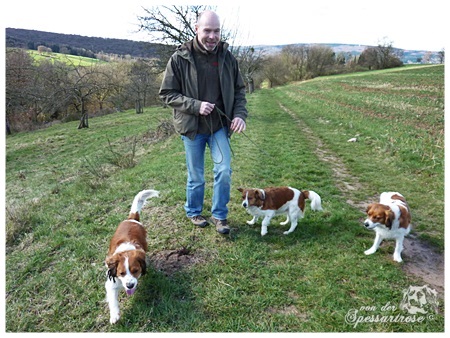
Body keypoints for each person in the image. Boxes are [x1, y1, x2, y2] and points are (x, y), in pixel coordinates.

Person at [159, 10, 248, 234]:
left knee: (224, 170)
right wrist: (195, 106)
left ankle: (220, 216)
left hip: (219, 127)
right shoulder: (179, 58)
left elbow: (239, 91)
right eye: (207, 30)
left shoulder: (227, 57)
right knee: (196, 175)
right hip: (192, 128)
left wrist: (239, 115)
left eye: (216, 31)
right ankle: (194, 211)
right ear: (196, 29)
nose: (212, 36)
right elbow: (167, 93)